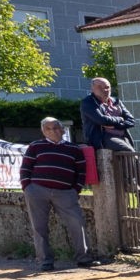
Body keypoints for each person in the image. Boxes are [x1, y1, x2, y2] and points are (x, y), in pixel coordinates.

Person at [17, 116, 96, 271]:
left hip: (65, 192)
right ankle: (45, 261)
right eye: (48, 128)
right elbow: (25, 168)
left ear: (62, 129)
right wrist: (27, 186)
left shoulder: (74, 149)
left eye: (55, 127)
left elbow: (80, 171)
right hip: (37, 190)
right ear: (43, 131)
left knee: (77, 223)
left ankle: (84, 258)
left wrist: (76, 189)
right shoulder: (35, 146)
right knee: (39, 227)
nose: (52, 131)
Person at [80, 78, 136, 152]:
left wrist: (117, 126)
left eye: (107, 87)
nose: (105, 90)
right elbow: (102, 120)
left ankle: (138, 164)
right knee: (128, 151)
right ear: (92, 89)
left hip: (123, 136)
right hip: (103, 138)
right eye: (100, 87)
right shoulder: (88, 103)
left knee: (133, 155)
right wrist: (120, 119)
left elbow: (131, 120)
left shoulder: (116, 101)